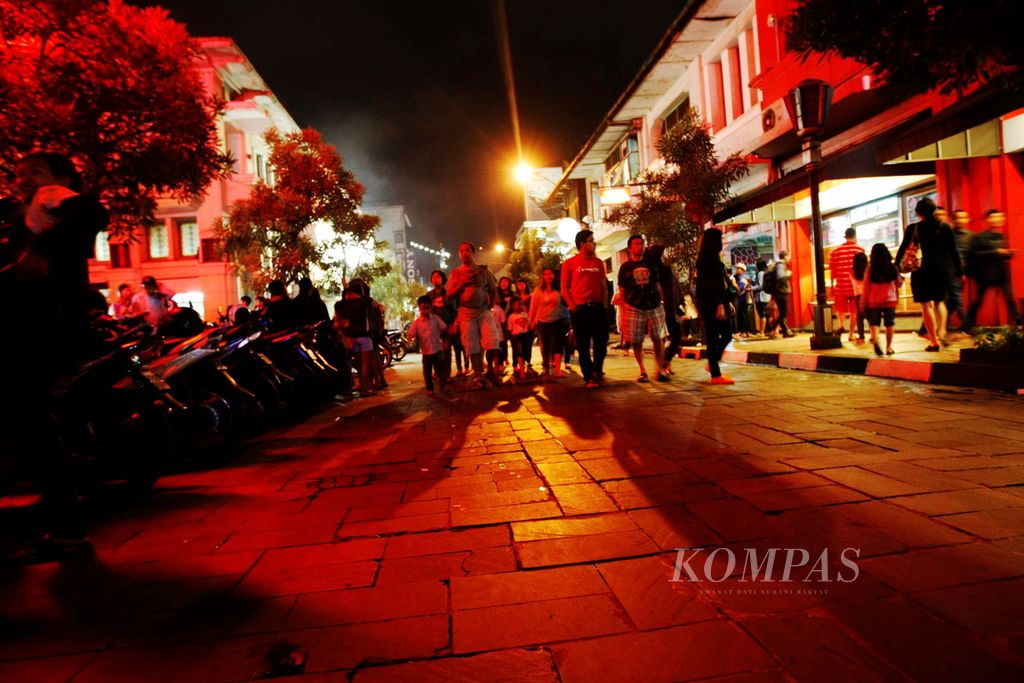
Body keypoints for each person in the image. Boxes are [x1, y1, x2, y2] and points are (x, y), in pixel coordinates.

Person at [3, 151, 109, 561]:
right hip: (27, 336)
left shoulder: (57, 201)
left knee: (34, 428)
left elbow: (92, 212)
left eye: (33, 170)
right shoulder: (27, 214)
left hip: (33, 338)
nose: (21, 177)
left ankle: (68, 529)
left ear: (61, 178)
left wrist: (41, 252)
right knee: (32, 429)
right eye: (16, 171)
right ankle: (62, 527)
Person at [895, 197, 961, 351]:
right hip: (942, 270)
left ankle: (934, 341)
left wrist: (896, 265)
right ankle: (943, 331)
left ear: (918, 212)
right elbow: (953, 251)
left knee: (926, 305)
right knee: (939, 302)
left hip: (921, 270)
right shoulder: (945, 228)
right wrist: (959, 271)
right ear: (934, 210)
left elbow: (903, 247)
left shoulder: (913, 228)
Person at [445, 241, 502, 389]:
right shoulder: (456, 273)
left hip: (483, 310)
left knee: (492, 340)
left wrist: (490, 304)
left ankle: (490, 369)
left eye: (468, 250)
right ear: (459, 254)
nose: (465, 253)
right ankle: (478, 374)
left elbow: (492, 289)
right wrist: (462, 284)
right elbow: (448, 296)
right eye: (462, 251)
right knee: (472, 345)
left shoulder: (483, 270)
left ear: (473, 253)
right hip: (466, 312)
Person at [562, 229, 610, 389]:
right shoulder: (569, 263)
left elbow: (604, 286)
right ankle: (588, 377)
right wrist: (572, 305)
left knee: (601, 343)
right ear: (582, 244)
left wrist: (604, 305)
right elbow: (564, 288)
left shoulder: (598, 263)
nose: (594, 243)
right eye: (591, 240)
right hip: (580, 309)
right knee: (583, 345)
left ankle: (598, 371)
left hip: (597, 307)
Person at [617, 234, 668, 383]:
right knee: (636, 340)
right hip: (633, 306)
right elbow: (622, 289)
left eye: (642, 243)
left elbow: (658, 283)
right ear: (630, 248)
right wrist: (624, 305)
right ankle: (643, 370)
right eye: (637, 244)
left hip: (654, 305)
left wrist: (662, 300)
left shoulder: (651, 264)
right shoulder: (625, 267)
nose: (640, 246)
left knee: (658, 338)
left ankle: (659, 369)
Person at [964, 209, 1020, 330]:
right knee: (979, 300)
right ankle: (968, 324)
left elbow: (1001, 254)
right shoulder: (980, 237)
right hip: (985, 274)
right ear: (988, 219)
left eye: (999, 217)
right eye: (994, 217)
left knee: (1010, 298)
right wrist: (996, 252)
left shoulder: (1001, 236)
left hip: (1001, 273)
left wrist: (1009, 254)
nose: (997, 220)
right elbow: (974, 254)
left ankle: (1019, 322)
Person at [695, 228, 735, 385]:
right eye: (721, 238)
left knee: (726, 335)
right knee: (714, 337)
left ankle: (712, 366)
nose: (723, 241)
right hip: (711, 302)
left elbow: (721, 283)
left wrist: (727, 301)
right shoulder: (706, 260)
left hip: (717, 301)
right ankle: (715, 374)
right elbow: (710, 284)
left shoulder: (713, 258)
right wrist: (719, 303)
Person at [336, 279, 378, 395]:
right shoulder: (365, 301)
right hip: (364, 336)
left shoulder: (346, 304)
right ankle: (365, 389)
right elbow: (376, 305)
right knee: (365, 364)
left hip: (352, 337)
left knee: (359, 364)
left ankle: (362, 385)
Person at [647, 245, 684, 372]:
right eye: (663, 253)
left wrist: (681, 302)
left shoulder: (666, 268)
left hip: (671, 308)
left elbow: (675, 287)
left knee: (676, 336)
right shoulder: (657, 271)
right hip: (663, 308)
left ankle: (665, 361)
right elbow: (667, 290)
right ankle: (662, 364)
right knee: (664, 338)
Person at [530, 267, 570, 378]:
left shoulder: (560, 289)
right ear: (542, 277)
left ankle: (557, 369)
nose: (549, 276)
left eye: (550, 273)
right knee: (545, 345)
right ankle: (546, 368)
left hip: (558, 320)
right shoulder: (538, 290)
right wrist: (531, 320)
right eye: (546, 274)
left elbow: (567, 302)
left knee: (558, 344)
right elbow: (533, 307)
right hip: (543, 321)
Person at [829, 227, 866, 341]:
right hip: (856, 286)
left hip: (841, 285)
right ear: (855, 236)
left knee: (840, 309)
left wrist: (831, 285)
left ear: (845, 237)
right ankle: (851, 334)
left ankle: (841, 326)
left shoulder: (835, 251)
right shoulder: (860, 249)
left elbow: (832, 270)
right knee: (854, 311)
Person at [863, 243, 901, 356]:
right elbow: (899, 283)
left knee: (875, 323)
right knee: (889, 324)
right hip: (890, 300)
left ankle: (875, 339)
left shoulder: (870, 270)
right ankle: (888, 348)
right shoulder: (892, 268)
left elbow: (866, 286)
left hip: (874, 301)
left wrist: (863, 301)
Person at [408, 295, 448, 395]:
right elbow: (411, 333)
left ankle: (443, 386)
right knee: (427, 372)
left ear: (430, 307)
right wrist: (411, 338)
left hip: (437, 349)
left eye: (427, 308)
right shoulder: (416, 323)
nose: (425, 310)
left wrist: (445, 334)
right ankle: (429, 388)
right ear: (420, 308)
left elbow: (444, 327)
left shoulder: (435, 319)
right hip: (426, 351)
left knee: (440, 370)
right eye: (423, 308)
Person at [428, 269, 459, 382]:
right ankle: (437, 372)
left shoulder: (449, 293)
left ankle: (447, 374)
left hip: (447, 326)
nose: (435, 278)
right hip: (434, 328)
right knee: (435, 351)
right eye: (433, 277)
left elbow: (455, 311)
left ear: (443, 279)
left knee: (446, 351)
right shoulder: (429, 295)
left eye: (438, 276)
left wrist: (454, 324)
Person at [948, 209, 973, 330]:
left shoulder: (970, 236)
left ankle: (946, 322)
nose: (960, 221)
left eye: (963, 218)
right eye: (958, 218)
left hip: (964, 271)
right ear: (953, 220)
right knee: (957, 297)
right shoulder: (949, 234)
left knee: (953, 299)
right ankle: (967, 325)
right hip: (951, 272)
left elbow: (971, 255)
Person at [765, 251, 794, 337]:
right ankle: (771, 329)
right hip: (782, 292)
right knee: (784, 313)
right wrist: (788, 274)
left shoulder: (779, 265)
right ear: (785, 257)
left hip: (780, 292)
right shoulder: (780, 265)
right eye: (788, 257)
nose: (789, 259)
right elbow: (780, 277)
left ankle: (785, 331)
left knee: (783, 313)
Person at [513, 278, 536, 375]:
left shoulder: (531, 297)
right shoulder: (514, 297)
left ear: (526, 285)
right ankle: (516, 363)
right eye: (519, 284)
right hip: (517, 323)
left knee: (528, 343)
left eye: (523, 283)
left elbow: (534, 309)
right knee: (517, 344)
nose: (521, 285)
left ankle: (528, 360)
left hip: (528, 321)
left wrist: (533, 321)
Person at [506, 296, 531, 380]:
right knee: (518, 351)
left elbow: (529, 324)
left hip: (525, 335)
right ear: (512, 306)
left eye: (521, 304)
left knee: (524, 351)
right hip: (516, 336)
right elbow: (509, 329)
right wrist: (511, 338)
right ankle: (520, 369)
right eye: (518, 304)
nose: (520, 306)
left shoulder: (525, 315)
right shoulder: (511, 317)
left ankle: (522, 365)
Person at [851, 251, 868, 344]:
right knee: (870, 316)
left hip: (858, 296)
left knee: (860, 318)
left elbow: (853, 284)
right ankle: (874, 336)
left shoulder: (852, 273)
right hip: (868, 295)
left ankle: (861, 337)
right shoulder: (868, 271)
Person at [754, 259, 771, 336]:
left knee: (762, 314)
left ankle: (761, 332)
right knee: (766, 314)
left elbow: (760, 286)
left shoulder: (760, 273)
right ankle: (768, 331)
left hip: (761, 296)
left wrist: (752, 287)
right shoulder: (766, 273)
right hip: (767, 296)